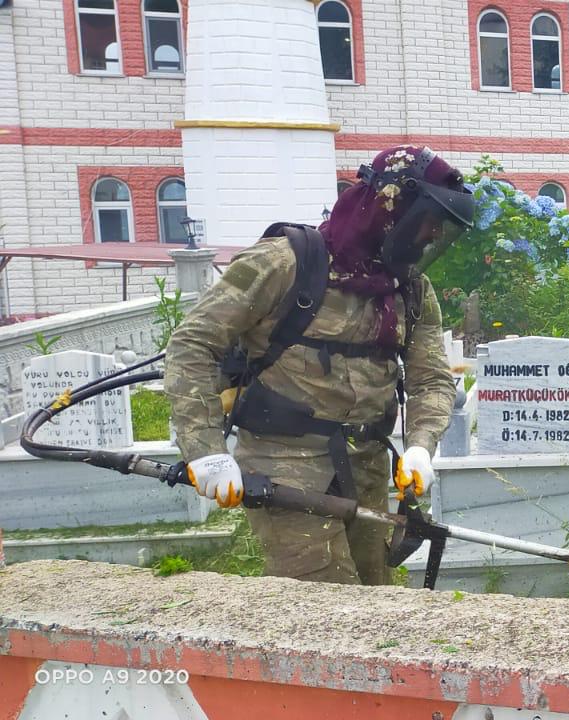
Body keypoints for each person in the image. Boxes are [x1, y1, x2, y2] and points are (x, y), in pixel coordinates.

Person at [165, 145, 469, 585]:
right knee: (329, 609)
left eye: (438, 229)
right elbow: (193, 344)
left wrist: (421, 444)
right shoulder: (284, 263)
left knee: (375, 597)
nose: (429, 238)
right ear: (390, 206)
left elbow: (431, 379)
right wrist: (205, 450)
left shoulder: (409, 289)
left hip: (366, 465)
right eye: (425, 224)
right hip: (285, 468)